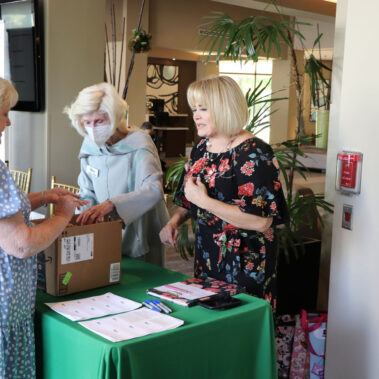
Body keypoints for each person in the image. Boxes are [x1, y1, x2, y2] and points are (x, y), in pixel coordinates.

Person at [159, 76, 289, 308]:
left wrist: (205, 202)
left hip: (247, 261)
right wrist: (174, 221)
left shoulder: (253, 152)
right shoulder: (202, 147)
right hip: (208, 253)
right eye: (194, 109)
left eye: (203, 109)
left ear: (225, 109)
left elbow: (261, 222)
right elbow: (189, 198)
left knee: (240, 328)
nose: (195, 115)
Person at [0, 78, 87, 378]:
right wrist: (62, 215)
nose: (8, 122)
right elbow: (22, 244)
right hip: (5, 309)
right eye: (3, 113)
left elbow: (5, 210)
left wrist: (43, 197)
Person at [64, 82, 168, 266]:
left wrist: (113, 205)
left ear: (115, 118)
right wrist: (84, 211)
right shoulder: (89, 148)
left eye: (99, 121)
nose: (93, 129)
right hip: (105, 232)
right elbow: (87, 191)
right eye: (87, 123)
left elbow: (154, 190)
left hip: (142, 230)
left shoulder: (139, 145)